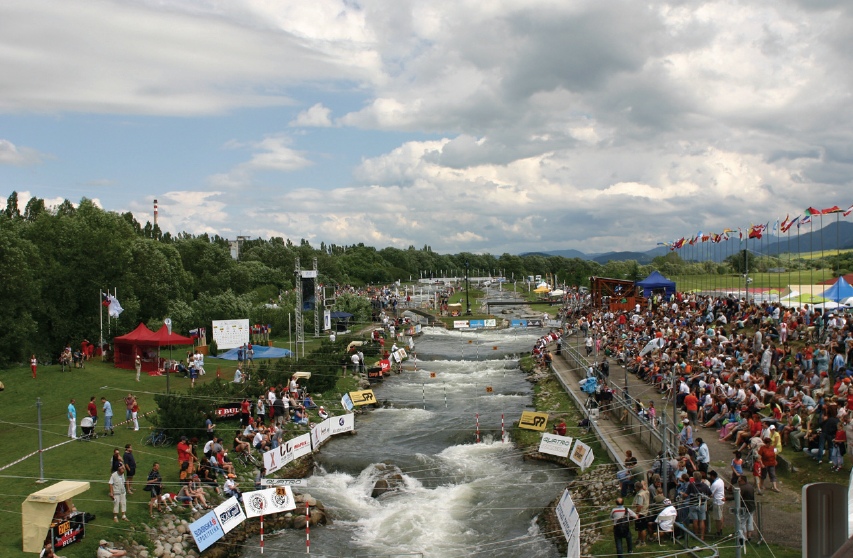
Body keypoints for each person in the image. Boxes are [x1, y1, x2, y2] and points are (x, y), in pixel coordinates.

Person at [736, 475, 756, 542]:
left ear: (742, 481)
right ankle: (749, 535)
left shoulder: (742, 488)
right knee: (750, 521)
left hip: (746, 508)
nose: (738, 483)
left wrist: (726, 498)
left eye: (739, 481)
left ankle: (744, 537)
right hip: (752, 507)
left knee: (742, 522)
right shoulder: (750, 486)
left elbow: (737, 497)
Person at [708, 470, 726, 537]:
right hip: (721, 500)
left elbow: (710, 494)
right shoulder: (720, 480)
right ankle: (720, 529)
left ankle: (718, 531)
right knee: (721, 516)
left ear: (712, 476)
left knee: (717, 518)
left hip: (717, 502)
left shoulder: (715, 484)